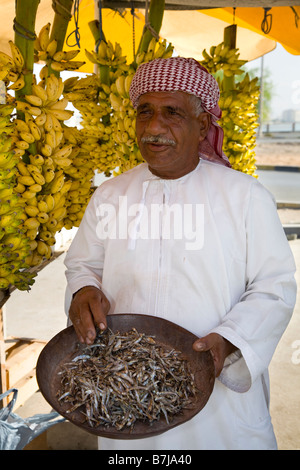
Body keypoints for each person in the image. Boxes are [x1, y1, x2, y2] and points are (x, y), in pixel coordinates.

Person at [64, 57, 297, 450]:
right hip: (128, 390)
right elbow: (82, 264)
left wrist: (230, 338)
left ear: (203, 125)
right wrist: (83, 289)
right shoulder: (110, 194)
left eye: (172, 113)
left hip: (219, 406)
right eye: (145, 112)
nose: (154, 128)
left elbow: (274, 287)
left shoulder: (244, 197)